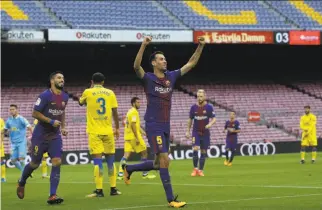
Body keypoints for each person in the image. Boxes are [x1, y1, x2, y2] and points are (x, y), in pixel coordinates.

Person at [122, 35, 205, 208]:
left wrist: (200, 46)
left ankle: (129, 169)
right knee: (164, 160)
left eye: (165, 59)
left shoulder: (171, 77)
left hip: (165, 125)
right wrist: (143, 45)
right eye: (161, 59)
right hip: (153, 124)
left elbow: (191, 64)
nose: (164, 61)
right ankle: (171, 200)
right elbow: (136, 66)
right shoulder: (148, 78)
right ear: (154, 63)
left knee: (158, 163)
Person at [16, 71, 69, 205]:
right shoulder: (45, 95)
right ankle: (22, 182)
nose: (62, 80)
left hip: (54, 136)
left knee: (57, 161)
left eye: (63, 78)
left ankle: (52, 195)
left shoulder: (64, 96)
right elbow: (35, 113)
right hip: (40, 136)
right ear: (52, 81)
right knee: (34, 163)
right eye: (59, 78)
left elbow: (62, 112)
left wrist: (63, 126)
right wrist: (51, 121)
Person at [79, 72, 121, 197]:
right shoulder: (110, 93)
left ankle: (99, 190)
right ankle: (113, 189)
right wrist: (117, 128)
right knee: (110, 161)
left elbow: (81, 102)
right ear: (103, 82)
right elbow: (115, 112)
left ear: (92, 81)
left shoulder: (88, 92)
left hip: (95, 132)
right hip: (108, 131)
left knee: (98, 162)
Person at [117, 97, 156, 180]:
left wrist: (144, 133)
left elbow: (136, 126)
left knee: (126, 155)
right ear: (133, 103)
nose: (139, 104)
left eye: (140, 102)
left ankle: (120, 174)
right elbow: (134, 126)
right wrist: (137, 137)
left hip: (127, 137)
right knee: (144, 153)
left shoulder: (129, 111)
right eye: (138, 102)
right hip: (134, 137)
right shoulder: (134, 112)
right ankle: (145, 174)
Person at [186, 89, 216, 176]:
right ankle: (195, 169)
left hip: (205, 133)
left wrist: (210, 124)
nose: (199, 98)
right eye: (198, 96)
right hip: (196, 132)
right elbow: (190, 120)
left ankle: (200, 170)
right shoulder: (193, 107)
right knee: (195, 148)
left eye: (201, 96)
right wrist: (187, 131)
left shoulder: (209, 107)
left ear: (205, 97)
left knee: (203, 151)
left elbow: (214, 118)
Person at [5, 104, 33, 172]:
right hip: (13, 143)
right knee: (13, 160)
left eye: (13, 109)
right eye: (10, 109)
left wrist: (34, 137)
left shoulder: (21, 119)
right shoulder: (9, 120)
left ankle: (23, 177)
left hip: (22, 142)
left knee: (21, 159)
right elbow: (4, 130)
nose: (11, 111)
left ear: (17, 110)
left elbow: (29, 127)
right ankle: (25, 172)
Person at [0, 118, 6, 182]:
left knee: (1, 159)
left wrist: (1, 141)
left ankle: (3, 177)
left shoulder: (1, 120)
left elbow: (2, 132)